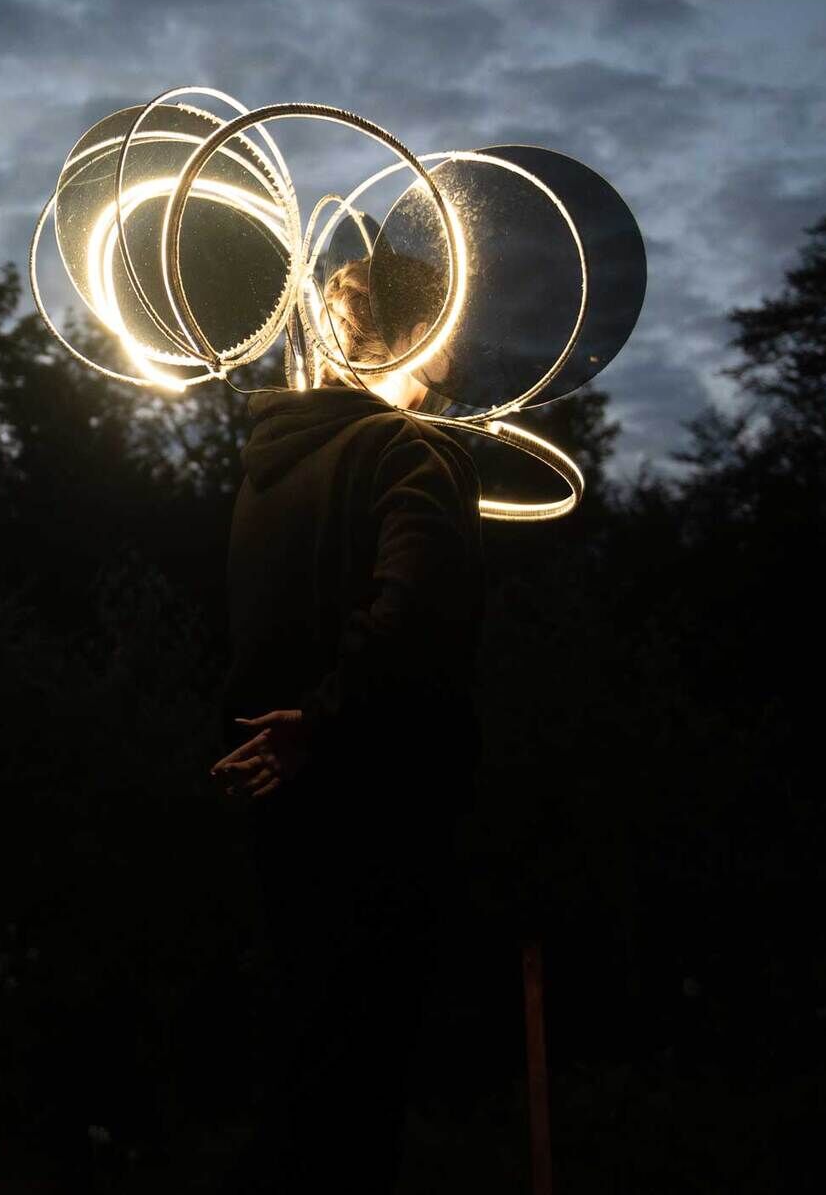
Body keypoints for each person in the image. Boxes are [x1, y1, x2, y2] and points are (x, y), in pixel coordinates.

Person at [210, 248, 486, 1192]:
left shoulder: (265, 469)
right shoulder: (413, 450)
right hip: (379, 816)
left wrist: (296, 734)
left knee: (299, 1077)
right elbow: (414, 615)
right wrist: (327, 723)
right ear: (430, 339)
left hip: (278, 810)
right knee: (359, 1100)